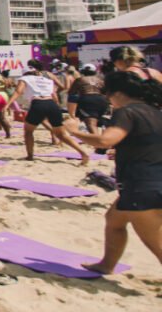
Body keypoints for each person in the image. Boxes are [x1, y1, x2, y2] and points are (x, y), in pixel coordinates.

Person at [66, 71, 162, 273]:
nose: (108, 101)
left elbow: (104, 140)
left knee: (154, 242)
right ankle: (106, 265)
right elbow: (148, 141)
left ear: (116, 93)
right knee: (113, 221)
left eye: (107, 96)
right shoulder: (154, 111)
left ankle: (106, 265)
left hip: (141, 185)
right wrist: (124, 149)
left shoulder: (126, 112)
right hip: (150, 180)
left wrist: (73, 131)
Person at [6, 62, 89, 164]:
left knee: (28, 131)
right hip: (51, 105)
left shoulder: (25, 79)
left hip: (38, 104)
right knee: (62, 134)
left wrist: (7, 105)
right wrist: (57, 106)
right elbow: (54, 95)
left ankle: (30, 156)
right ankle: (83, 153)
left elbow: (18, 91)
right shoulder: (46, 80)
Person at [69, 64, 108, 134]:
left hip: (87, 99)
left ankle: (97, 142)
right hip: (101, 99)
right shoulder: (100, 80)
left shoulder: (80, 80)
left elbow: (72, 92)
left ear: (83, 71)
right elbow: (106, 92)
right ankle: (104, 135)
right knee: (100, 119)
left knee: (90, 123)